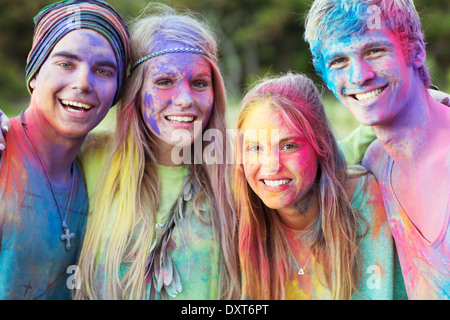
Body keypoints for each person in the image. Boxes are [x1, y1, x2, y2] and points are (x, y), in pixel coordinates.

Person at [74, 4, 240, 300]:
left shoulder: (237, 172)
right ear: (135, 91)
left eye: (199, 83)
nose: (185, 99)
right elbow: (31, 145)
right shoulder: (91, 156)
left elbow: (320, 159)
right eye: (164, 82)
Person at [304, 0, 450, 299]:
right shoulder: (374, 162)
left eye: (375, 50)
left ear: (417, 51)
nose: (359, 76)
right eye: (338, 61)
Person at [235, 71, 406, 299]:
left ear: (320, 145)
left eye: (288, 146)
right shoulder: (237, 218)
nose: (270, 166)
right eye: (255, 148)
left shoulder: (369, 200)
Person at [0, 0, 129, 299]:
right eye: (66, 64)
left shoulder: (100, 168)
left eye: (104, 71)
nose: (83, 83)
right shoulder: (3, 152)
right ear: (34, 74)